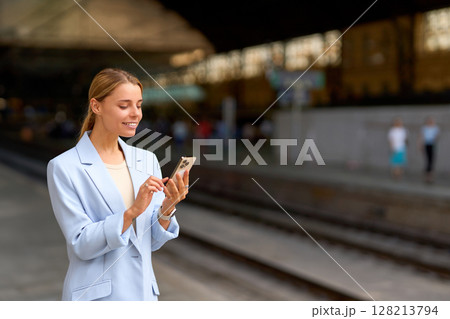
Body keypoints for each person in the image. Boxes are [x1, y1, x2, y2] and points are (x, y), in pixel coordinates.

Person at [47, 68, 189, 301]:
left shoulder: (146, 160)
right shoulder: (64, 167)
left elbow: (150, 242)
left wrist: (167, 207)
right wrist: (131, 212)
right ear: (96, 106)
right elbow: (80, 243)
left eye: (139, 105)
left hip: (143, 296)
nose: (135, 114)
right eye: (124, 106)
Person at [419, 116, 440, 183]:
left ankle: (430, 176)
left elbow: (437, 136)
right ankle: (427, 176)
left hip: (432, 145)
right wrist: (420, 145)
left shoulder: (435, 128)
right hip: (426, 144)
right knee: (428, 160)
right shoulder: (424, 128)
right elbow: (421, 137)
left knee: (431, 160)